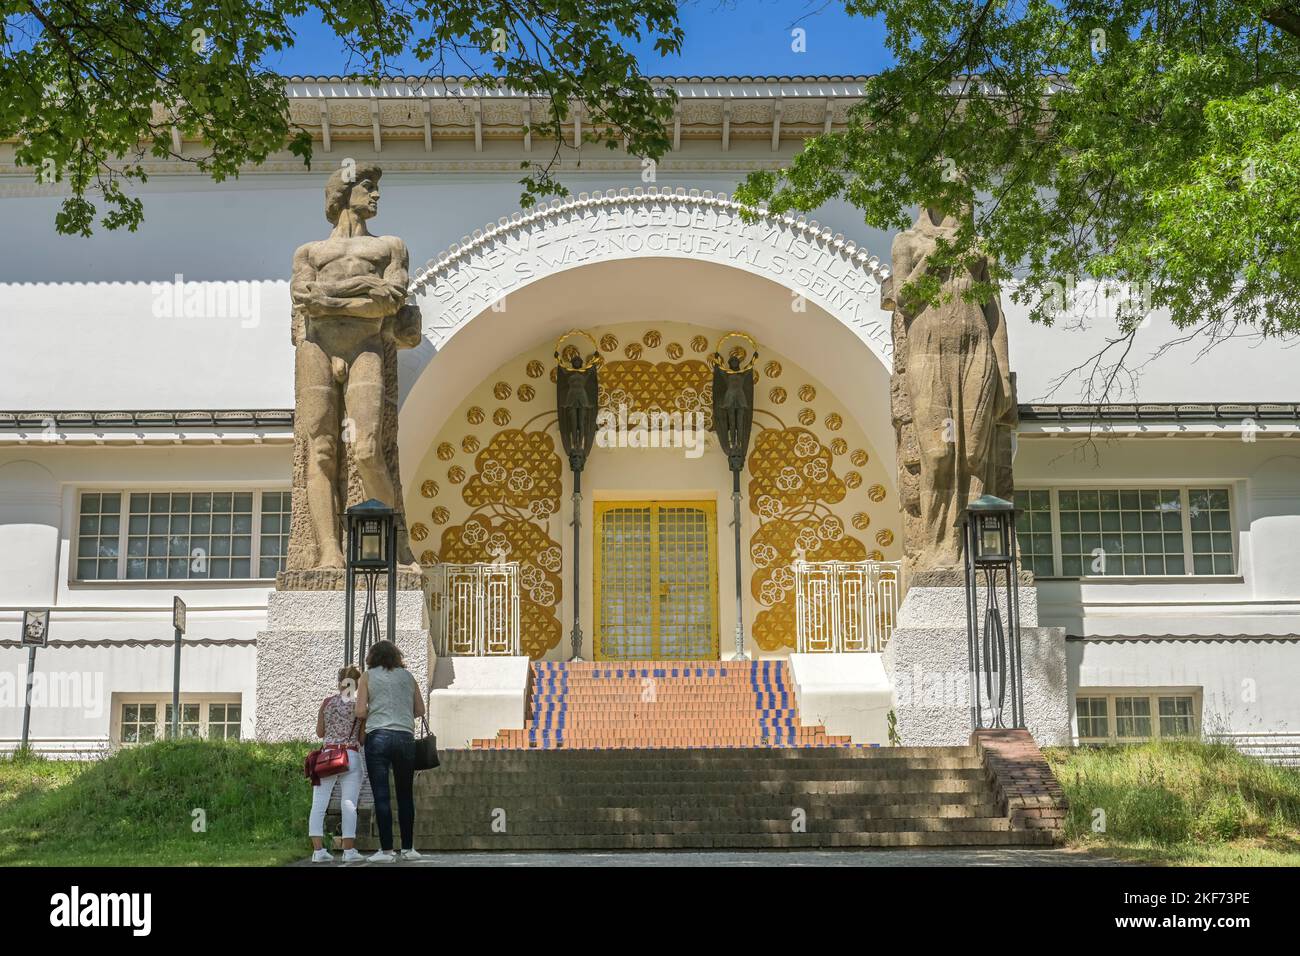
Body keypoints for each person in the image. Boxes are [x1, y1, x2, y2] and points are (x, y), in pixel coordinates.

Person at [355, 640, 425, 862]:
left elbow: (359, 711)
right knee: (405, 795)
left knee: (382, 795)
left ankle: (386, 851)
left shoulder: (367, 676)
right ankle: (408, 849)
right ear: (396, 656)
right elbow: (420, 709)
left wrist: (376, 710)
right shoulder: (408, 677)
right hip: (405, 737)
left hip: (378, 737)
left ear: (372, 657)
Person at [308, 665, 366, 864]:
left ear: (339, 682)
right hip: (350, 756)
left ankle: (318, 851)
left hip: (327, 756)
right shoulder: (359, 706)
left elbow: (320, 733)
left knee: (318, 804)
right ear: (357, 684)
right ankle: (349, 852)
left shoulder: (327, 703)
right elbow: (362, 737)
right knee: (349, 803)